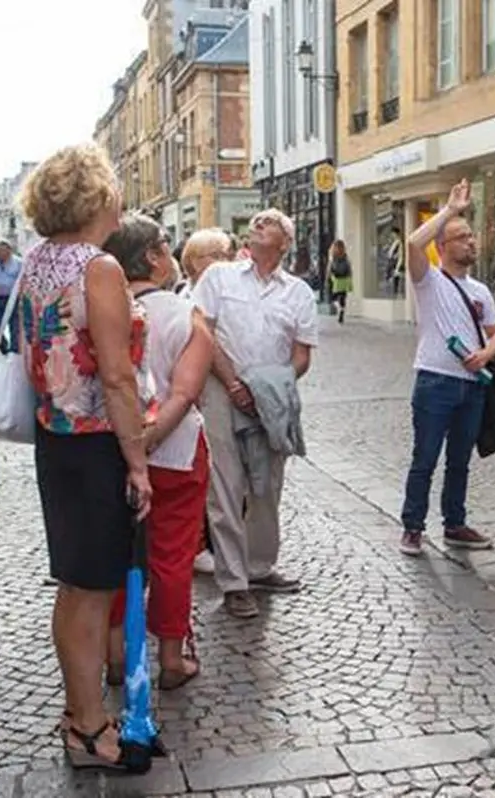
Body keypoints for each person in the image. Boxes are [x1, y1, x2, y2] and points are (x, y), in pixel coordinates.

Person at [17, 144, 156, 772]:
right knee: (93, 592)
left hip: (56, 438)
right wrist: (137, 462)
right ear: (98, 196)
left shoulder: (37, 262)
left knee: (76, 588)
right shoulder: (97, 269)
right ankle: (91, 729)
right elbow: (119, 376)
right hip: (97, 439)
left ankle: (79, 716)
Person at [102, 213, 213, 690]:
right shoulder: (185, 315)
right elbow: (184, 394)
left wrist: (130, 449)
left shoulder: (103, 311)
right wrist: (146, 446)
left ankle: (114, 657)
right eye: (166, 244)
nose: (171, 252)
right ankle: (171, 657)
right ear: (151, 256)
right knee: (172, 554)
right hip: (178, 453)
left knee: (115, 555)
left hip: (109, 449)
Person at [193, 209, 318, 619]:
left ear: (285, 242)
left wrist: (268, 386)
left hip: (272, 400)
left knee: (267, 485)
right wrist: (232, 382)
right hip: (220, 389)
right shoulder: (219, 277)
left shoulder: (298, 292)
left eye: (271, 222)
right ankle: (233, 582)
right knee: (226, 486)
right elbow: (203, 331)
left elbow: (301, 356)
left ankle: (260, 566)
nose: (260, 222)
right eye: (257, 220)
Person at [398, 179, 495, 557]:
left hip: (473, 383)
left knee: (459, 461)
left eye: (472, 236)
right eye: (461, 237)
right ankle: (412, 526)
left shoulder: (480, 290)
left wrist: (486, 355)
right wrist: (450, 211)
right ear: (442, 247)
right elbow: (413, 243)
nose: (471, 242)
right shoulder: (429, 281)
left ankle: (454, 523)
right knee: (425, 458)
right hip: (435, 381)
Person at [177, 228, 234, 576]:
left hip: (224, 392)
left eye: (227, 254)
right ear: (195, 262)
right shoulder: (189, 298)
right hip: (203, 393)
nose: (224, 261)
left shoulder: (228, 292)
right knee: (207, 473)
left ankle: (220, 543)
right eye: (216, 254)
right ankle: (202, 544)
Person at [0, 240, 23, 350]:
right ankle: (3, 346)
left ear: (9, 251)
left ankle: (14, 351)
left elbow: (23, 283)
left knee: (15, 327)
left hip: (14, 299)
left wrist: (21, 300)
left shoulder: (19, 264)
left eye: (0, 251)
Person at [328, 240, 352, 324]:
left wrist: (330, 275)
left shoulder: (333, 257)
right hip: (343, 279)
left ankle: (340, 310)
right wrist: (349, 278)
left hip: (337, 279)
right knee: (342, 297)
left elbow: (331, 268)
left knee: (334, 298)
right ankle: (341, 310)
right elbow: (349, 269)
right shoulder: (345, 257)